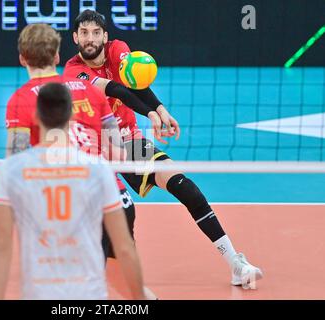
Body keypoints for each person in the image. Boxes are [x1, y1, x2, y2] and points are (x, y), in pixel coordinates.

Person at [64, 10, 263, 289]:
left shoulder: (117, 50)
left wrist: (160, 110)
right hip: (95, 152)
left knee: (185, 186)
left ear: (105, 36)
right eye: (84, 33)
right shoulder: (74, 71)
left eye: (96, 32)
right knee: (116, 220)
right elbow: (117, 91)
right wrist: (152, 114)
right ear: (75, 37)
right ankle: (113, 280)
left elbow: (136, 83)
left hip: (128, 142)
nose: (90, 38)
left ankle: (235, 263)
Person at [0, 82, 146, 300]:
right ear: (72, 115)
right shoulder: (99, 169)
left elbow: (0, 247)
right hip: (88, 294)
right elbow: (125, 248)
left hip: (39, 292)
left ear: (35, 117)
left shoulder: (13, 170)